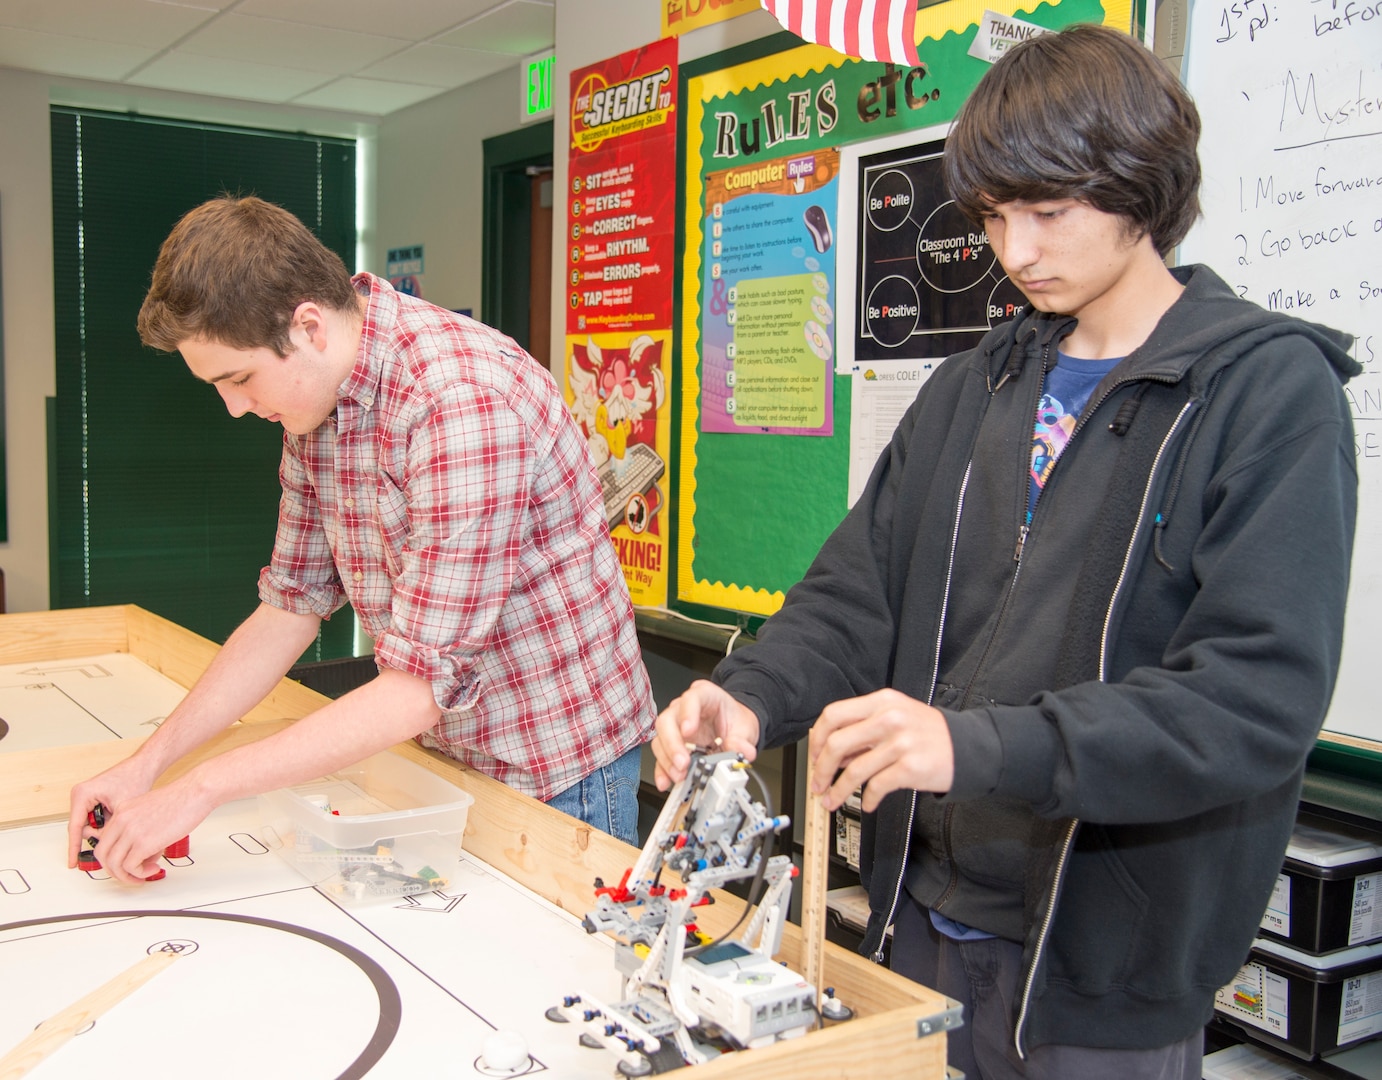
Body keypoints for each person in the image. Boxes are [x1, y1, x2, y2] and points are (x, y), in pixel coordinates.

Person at [653, 23, 1358, 1080]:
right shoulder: (973, 385)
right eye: (990, 216)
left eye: (1046, 211)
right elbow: (855, 597)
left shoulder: (1266, 395)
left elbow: (1248, 703)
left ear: (1141, 188)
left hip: (1102, 969)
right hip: (917, 918)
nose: (1012, 250)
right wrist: (751, 696)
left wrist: (972, 746)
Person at [69, 195, 655, 882]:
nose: (234, 407)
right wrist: (148, 765)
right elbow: (289, 606)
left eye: (240, 378)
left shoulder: (458, 402)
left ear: (309, 326)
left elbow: (417, 687)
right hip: (447, 752)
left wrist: (201, 787)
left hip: (559, 768)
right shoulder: (311, 407)